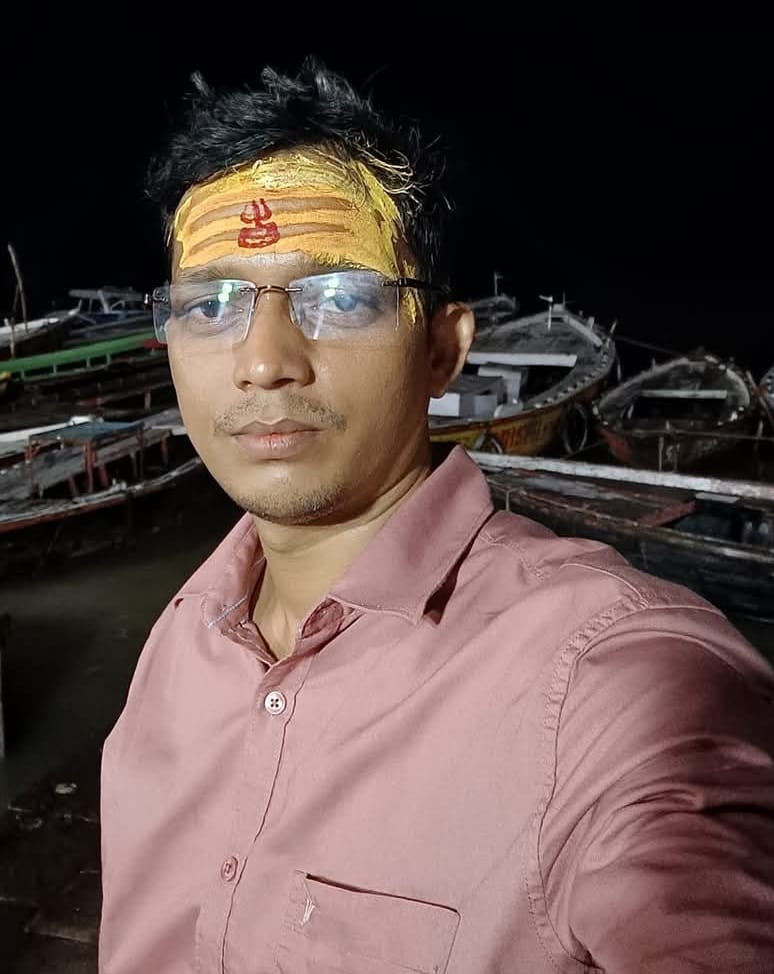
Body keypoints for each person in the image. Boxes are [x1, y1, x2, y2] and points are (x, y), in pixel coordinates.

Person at [98, 58, 774, 974]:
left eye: (338, 297)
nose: (263, 362)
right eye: (212, 304)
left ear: (442, 352)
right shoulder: (179, 645)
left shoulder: (610, 682)